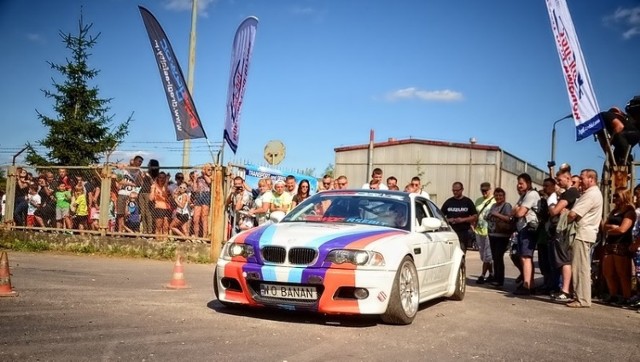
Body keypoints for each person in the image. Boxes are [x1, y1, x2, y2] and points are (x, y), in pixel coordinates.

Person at [566, 169, 603, 308]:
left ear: (591, 179)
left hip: (582, 233)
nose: (580, 181)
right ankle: (580, 297)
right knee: (581, 266)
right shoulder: (592, 193)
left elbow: (573, 214)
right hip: (585, 233)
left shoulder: (591, 194)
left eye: (582, 178)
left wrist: (565, 221)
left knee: (580, 267)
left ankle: (582, 299)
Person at [548, 165, 580, 302]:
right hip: (566, 231)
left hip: (565, 232)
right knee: (564, 260)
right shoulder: (571, 193)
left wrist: (550, 204)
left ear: (568, 178)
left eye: (559, 180)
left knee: (565, 260)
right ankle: (567, 289)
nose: (558, 183)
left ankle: (565, 290)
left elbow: (554, 211)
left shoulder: (570, 193)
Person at [601, 187, 635, 305]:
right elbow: (604, 226)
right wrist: (612, 228)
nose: (615, 198)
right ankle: (613, 294)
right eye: (614, 196)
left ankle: (626, 296)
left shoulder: (629, 211)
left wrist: (611, 229)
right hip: (610, 243)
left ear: (624, 196)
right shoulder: (614, 211)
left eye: (617, 196)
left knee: (622, 273)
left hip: (621, 244)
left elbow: (623, 229)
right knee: (608, 272)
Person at [511, 173, 541, 295]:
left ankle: (527, 285)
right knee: (522, 256)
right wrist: (517, 209)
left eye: (521, 183)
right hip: (522, 229)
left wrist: (517, 209)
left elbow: (519, 213)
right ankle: (530, 284)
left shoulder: (531, 194)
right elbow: (514, 210)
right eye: (518, 183)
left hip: (528, 229)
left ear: (528, 183)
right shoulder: (524, 196)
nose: (519, 186)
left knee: (526, 257)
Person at [486, 187, 513, 288]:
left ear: (504, 196)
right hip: (493, 234)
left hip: (502, 235)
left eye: (500, 195)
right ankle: (496, 277)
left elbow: (509, 218)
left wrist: (496, 214)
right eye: (496, 195)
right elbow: (489, 216)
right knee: (494, 258)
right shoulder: (493, 205)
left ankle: (500, 280)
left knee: (498, 256)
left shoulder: (506, 206)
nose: (498, 197)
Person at [441, 182, 477, 253]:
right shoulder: (448, 202)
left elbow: (475, 217)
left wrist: (463, 220)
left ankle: (462, 264)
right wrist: (448, 220)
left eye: (457, 190)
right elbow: (440, 216)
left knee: (461, 253)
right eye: (453, 190)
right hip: (451, 232)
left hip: (463, 233)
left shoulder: (467, 201)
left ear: (462, 189)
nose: (455, 192)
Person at [474, 182, 495, 284]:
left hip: (489, 231)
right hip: (479, 230)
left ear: (490, 189)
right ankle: (491, 274)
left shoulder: (494, 201)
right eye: (482, 190)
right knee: (483, 255)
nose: (484, 192)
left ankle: (482, 275)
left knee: (488, 255)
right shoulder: (478, 201)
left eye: (486, 190)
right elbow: (475, 215)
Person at [191, 164, 212, 238]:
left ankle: (204, 237)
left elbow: (209, 182)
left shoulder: (210, 177)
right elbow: (194, 189)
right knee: (196, 218)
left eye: (211, 169)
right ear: (204, 169)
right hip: (198, 195)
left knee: (204, 217)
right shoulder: (198, 178)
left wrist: (204, 175)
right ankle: (196, 236)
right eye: (208, 169)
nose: (210, 171)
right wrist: (194, 179)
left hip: (206, 195)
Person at [150, 172, 171, 237]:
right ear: (157, 178)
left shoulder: (167, 186)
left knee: (165, 226)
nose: (162, 179)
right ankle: (158, 240)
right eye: (160, 177)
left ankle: (164, 241)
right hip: (159, 207)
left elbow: (167, 196)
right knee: (158, 226)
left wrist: (166, 184)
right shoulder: (154, 186)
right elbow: (151, 198)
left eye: (163, 177)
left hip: (167, 208)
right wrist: (153, 188)